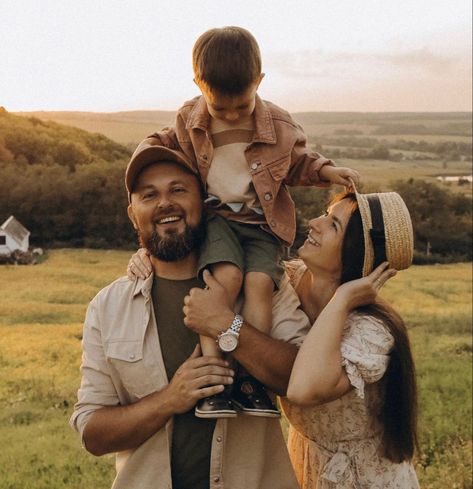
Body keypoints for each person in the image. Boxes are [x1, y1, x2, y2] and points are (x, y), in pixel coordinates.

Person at [131, 25, 360, 418]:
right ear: (199, 86)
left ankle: (249, 381)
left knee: (257, 285)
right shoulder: (189, 118)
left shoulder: (280, 126)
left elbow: (298, 162)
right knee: (225, 281)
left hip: (262, 223)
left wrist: (327, 172)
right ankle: (217, 380)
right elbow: (158, 145)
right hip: (216, 216)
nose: (233, 114)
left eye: (243, 104)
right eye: (221, 108)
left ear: (259, 81)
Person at [70, 141, 313, 489]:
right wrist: (170, 398)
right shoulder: (108, 307)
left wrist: (228, 327)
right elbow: (93, 433)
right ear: (132, 213)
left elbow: (302, 379)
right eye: (148, 195)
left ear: (204, 202)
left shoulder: (262, 286)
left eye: (178, 190)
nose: (165, 202)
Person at [282, 190, 420, 488]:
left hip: (365, 478)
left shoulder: (372, 331)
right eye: (325, 213)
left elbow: (303, 389)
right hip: (306, 461)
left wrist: (343, 299)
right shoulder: (287, 282)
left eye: (333, 225)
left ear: (355, 254)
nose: (315, 223)